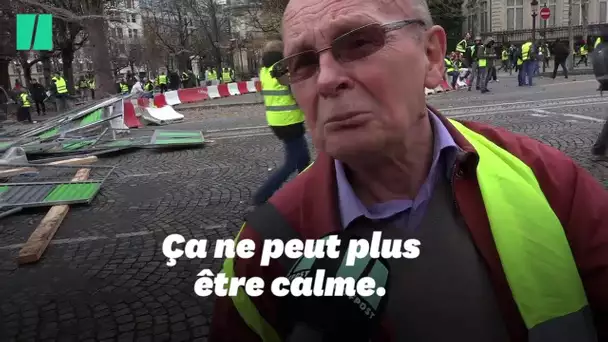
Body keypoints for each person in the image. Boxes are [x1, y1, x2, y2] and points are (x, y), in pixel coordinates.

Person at [210, 0, 608, 340]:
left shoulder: (548, 180)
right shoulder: (260, 249)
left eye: (360, 42)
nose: (327, 80)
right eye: (303, 63)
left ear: (432, 57)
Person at [250, 40, 311, 206]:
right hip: (289, 120)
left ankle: (308, 190)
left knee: (303, 159)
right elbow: (293, 90)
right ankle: (263, 194)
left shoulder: (264, 70)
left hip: (277, 120)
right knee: (291, 163)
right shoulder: (280, 69)